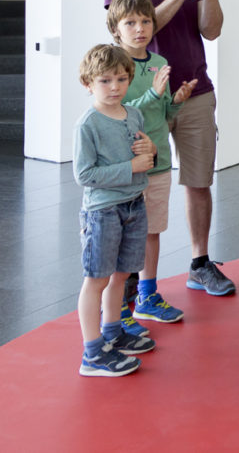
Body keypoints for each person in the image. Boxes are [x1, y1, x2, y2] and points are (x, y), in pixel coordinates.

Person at [105, 0, 234, 298]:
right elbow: (131, 31)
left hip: (193, 92)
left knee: (198, 181)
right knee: (137, 184)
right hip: (141, 98)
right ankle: (131, 277)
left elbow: (210, 31)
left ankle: (199, 262)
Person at [107, 0, 196, 327]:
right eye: (130, 22)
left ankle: (147, 294)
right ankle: (117, 306)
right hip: (128, 167)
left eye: (145, 21)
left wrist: (175, 100)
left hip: (158, 163)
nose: (139, 28)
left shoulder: (158, 62)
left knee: (152, 231)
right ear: (116, 29)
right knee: (124, 234)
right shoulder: (114, 65)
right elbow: (121, 110)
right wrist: (155, 94)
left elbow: (161, 113)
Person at [73, 44, 158, 376]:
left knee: (121, 275)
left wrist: (148, 151)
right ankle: (92, 353)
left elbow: (144, 156)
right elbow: (84, 175)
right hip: (103, 212)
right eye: (105, 81)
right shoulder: (88, 124)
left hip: (134, 204)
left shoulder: (133, 114)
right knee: (97, 279)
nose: (114, 87)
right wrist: (133, 167)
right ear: (88, 83)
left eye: (121, 79)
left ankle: (112, 332)